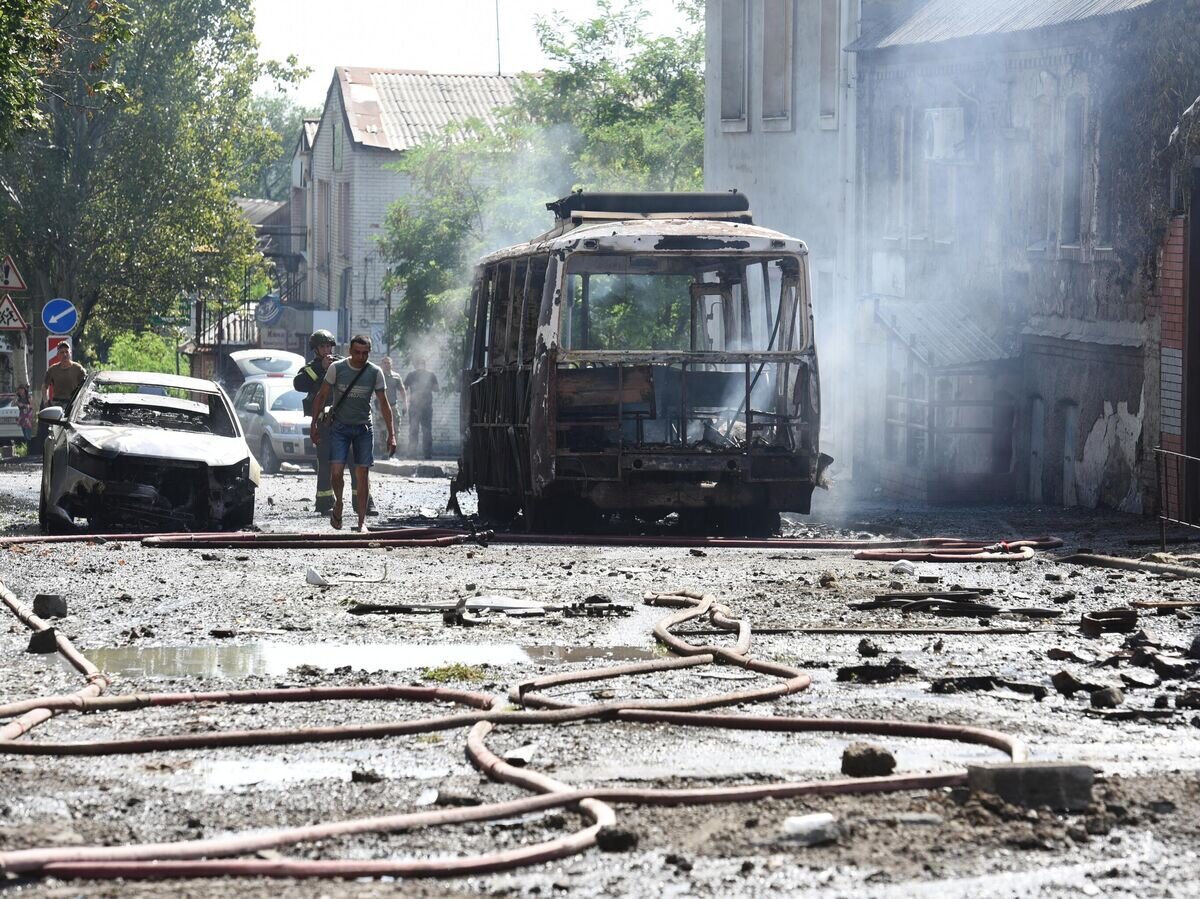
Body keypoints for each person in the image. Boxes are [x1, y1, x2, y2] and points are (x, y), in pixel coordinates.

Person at [310, 334, 396, 532]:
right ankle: (338, 503)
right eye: (357, 352)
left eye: (365, 353)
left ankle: (361, 522)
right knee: (336, 472)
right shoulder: (336, 369)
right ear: (350, 351)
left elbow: (384, 404)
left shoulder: (374, 372)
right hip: (339, 427)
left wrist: (391, 434)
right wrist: (314, 424)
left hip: (363, 428)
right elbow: (322, 395)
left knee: (362, 474)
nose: (361, 357)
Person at [294, 330, 371, 515]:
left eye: (329, 346)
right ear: (316, 349)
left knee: (356, 462)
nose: (327, 349)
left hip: (346, 420)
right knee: (327, 463)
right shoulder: (311, 368)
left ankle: (364, 503)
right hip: (325, 424)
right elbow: (299, 384)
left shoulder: (342, 363)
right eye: (323, 346)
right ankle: (324, 503)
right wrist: (322, 369)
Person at [403, 357, 439, 459]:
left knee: (416, 431)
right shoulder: (429, 375)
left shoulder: (413, 375)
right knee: (423, 430)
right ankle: (425, 454)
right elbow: (436, 389)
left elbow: (403, 387)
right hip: (420, 407)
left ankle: (413, 454)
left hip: (421, 407)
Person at [41, 343, 86, 414]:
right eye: (62, 352)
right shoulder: (52, 369)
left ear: (70, 353)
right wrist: (46, 401)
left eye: (66, 352)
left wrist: (82, 402)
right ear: (58, 355)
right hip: (57, 404)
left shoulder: (78, 369)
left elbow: (85, 387)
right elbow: (44, 386)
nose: (65, 355)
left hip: (73, 404)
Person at [376, 357, 407, 455]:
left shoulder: (396, 376)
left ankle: (392, 452)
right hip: (381, 407)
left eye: (388, 363)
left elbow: (402, 390)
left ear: (391, 364)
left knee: (395, 430)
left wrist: (405, 404)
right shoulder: (379, 376)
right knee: (383, 430)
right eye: (384, 363)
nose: (386, 365)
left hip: (393, 406)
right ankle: (384, 452)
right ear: (381, 364)